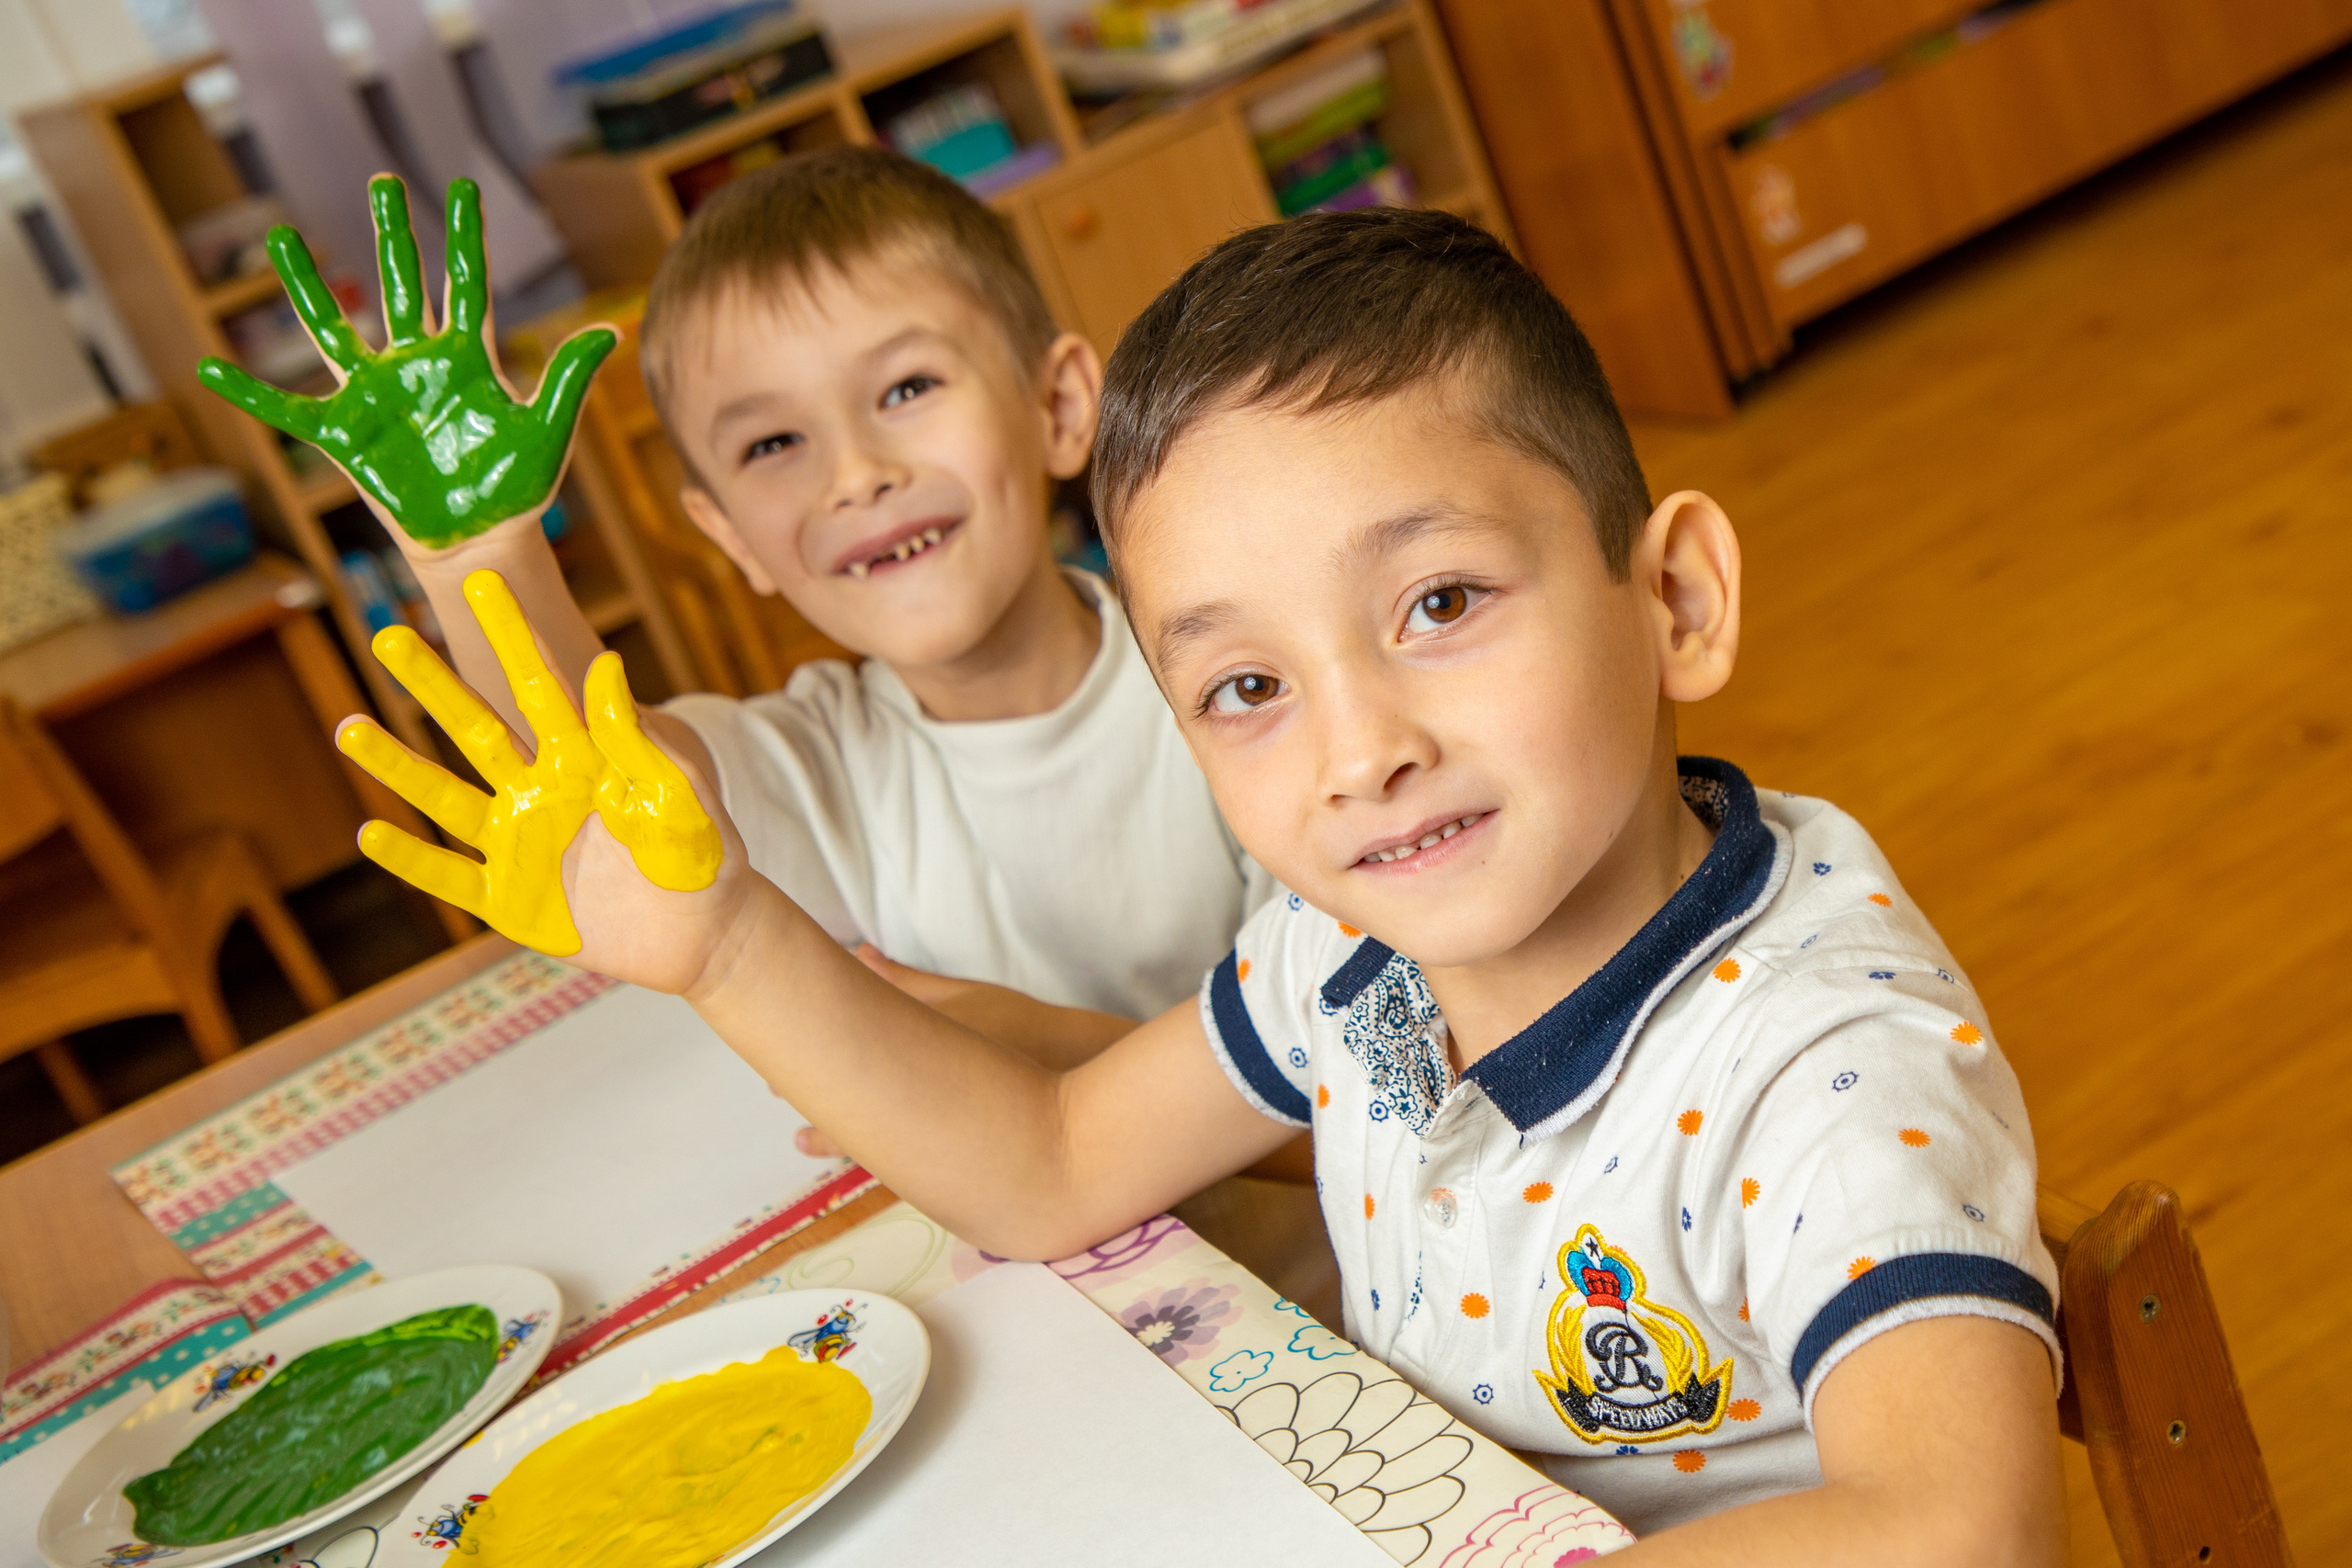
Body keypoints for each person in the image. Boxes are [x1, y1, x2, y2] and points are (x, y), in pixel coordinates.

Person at [336, 208, 2065, 1562]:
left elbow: (1956, 1528)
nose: (1359, 746)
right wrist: (723, 944)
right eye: (1249, 688)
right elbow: (1050, 1162)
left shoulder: (1827, 1057)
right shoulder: (1348, 955)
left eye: (1442, 603)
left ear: (1673, 596)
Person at [198, 151, 1269, 1042]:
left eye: (906, 388)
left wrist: (1027, 1045)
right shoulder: (821, 765)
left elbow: (1344, 1080)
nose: (854, 473)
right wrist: (476, 555)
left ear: (1058, 403)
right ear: (725, 535)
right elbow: (594, 780)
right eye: (772, 444)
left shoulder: (1243, 684)